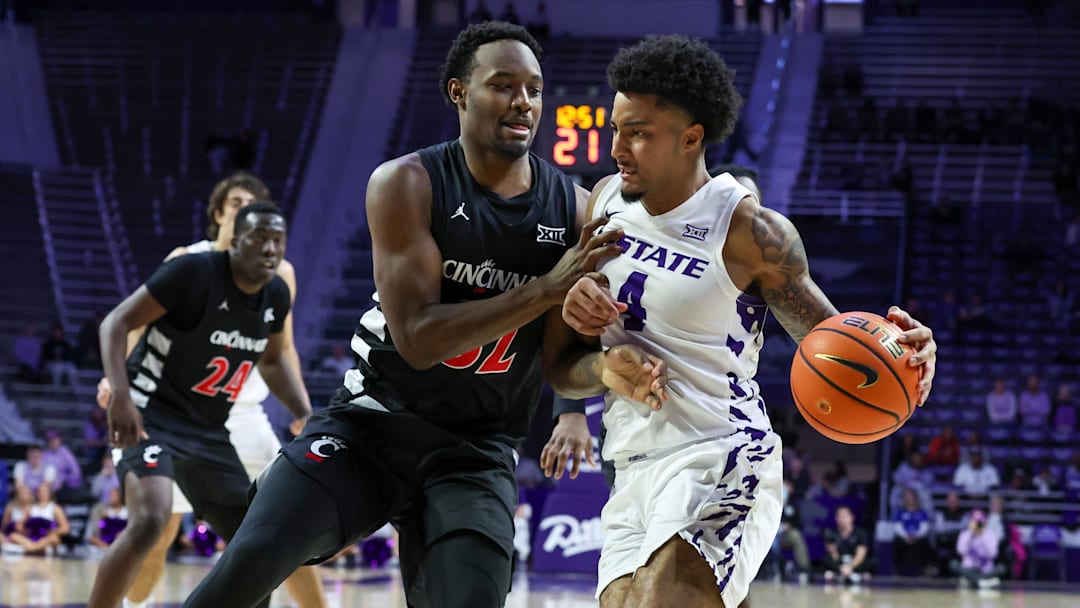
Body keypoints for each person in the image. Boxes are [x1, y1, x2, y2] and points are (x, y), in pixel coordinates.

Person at [182, 22, 653, 608]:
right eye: (504, 85)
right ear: (459, 92)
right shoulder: (407, 182)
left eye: (534, 88)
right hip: (370, 426)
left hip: (474, 452)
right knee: (248, 564)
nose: (524, 102)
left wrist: (601, 375)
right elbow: (417, 340)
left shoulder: (575, 209)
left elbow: (559, 365)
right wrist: (546, 289)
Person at [555, 35, 936, 607]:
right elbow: (563, 371)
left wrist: (905, 355)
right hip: (631, 464)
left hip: (721, 455)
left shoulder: (750, 231)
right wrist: (604, 367)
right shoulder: (603, 205)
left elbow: (836, 348)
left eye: (638, 132)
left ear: (691, 138)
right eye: (616, 128)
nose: (616, 148)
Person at [96, 172, 325, 608]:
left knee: (262, 538)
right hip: (155, 412)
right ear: (228, 227)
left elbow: (277, 356)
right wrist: (119, 389)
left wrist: (305, 413)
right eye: (256, 234)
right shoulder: (189, 266)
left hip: (219, 422)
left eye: (278, 240)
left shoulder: (277, 286)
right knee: (153, 523)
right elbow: (123, 322)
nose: (271, 248)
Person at [952, 509, 1003, 588]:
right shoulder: (965, 534)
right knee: (953, 564)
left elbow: (993, 554)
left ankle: (973, 581)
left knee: (1001, 568)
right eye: (975, 521)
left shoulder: (989, 535)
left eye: (979, 522)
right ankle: (983, 581)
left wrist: (982, 535)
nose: (977, 524)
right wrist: (971, 533)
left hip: (985, 570)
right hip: (969, 569)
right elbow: (960, 551)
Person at [822, 506, 872, 584]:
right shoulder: (831, 534)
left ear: (852, 517)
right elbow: (833, 554)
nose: (843, 519)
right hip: (840, 562)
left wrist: (850, 567)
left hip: (854, 561)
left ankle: (854, 573)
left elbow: (861, 554)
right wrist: (841, 567)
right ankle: (844, 574)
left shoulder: (860, 533)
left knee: (872, 562)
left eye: (845, 516)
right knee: (826, 560)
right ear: (836, 519)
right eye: (840, 516)